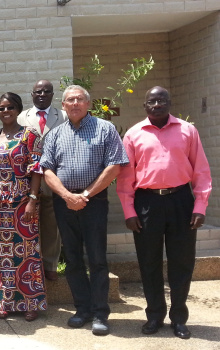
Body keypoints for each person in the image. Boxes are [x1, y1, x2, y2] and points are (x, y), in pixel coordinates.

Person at [116, 86, 212, 339]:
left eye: (162, 100)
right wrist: (129, 211)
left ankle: (179, 318)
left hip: (181, 200)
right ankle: (155, 316)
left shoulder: (187, 130)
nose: (157, 104)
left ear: (170, 103)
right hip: (146, 203)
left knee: (182, 263)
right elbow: (126, 179)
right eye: (152, 101)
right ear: (145, 106)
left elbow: (201, 171)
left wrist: (200, 206)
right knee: (149, 263)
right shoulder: (134, 134)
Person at [40, 85, 128, 336]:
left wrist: (85, 195)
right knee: (73, 258)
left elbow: (114, 166)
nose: (75, 103)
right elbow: (47, 169)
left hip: (94, 203)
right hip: (64, 203)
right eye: (70, 100)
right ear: (64, 105)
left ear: (88, 104)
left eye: (79, 99)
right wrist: (68, 196)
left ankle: (100, 312)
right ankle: (83, 309)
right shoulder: (55, 134)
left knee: (98, 259)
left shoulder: (105, 129)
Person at [0, 92, 47, 322]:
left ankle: (31, 303)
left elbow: (37, 168)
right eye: (1, 108)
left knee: (27, 254)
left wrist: (32, 199)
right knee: (1, 255)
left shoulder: (29, 135)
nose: (5, 111)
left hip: (23, 205)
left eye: (10, 107)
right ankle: (4, 301)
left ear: (18, 109)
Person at [18, 79, 67, 281]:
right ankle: (29, 264)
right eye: (38, 91)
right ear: (32, 94)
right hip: (27, 179)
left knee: (51, 223)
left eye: (47, 91)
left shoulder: (63, 116)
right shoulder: (21, 117)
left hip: (54, 177)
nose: (42, 94)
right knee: (26, 224)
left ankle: (50, 265)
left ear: (52, 94)